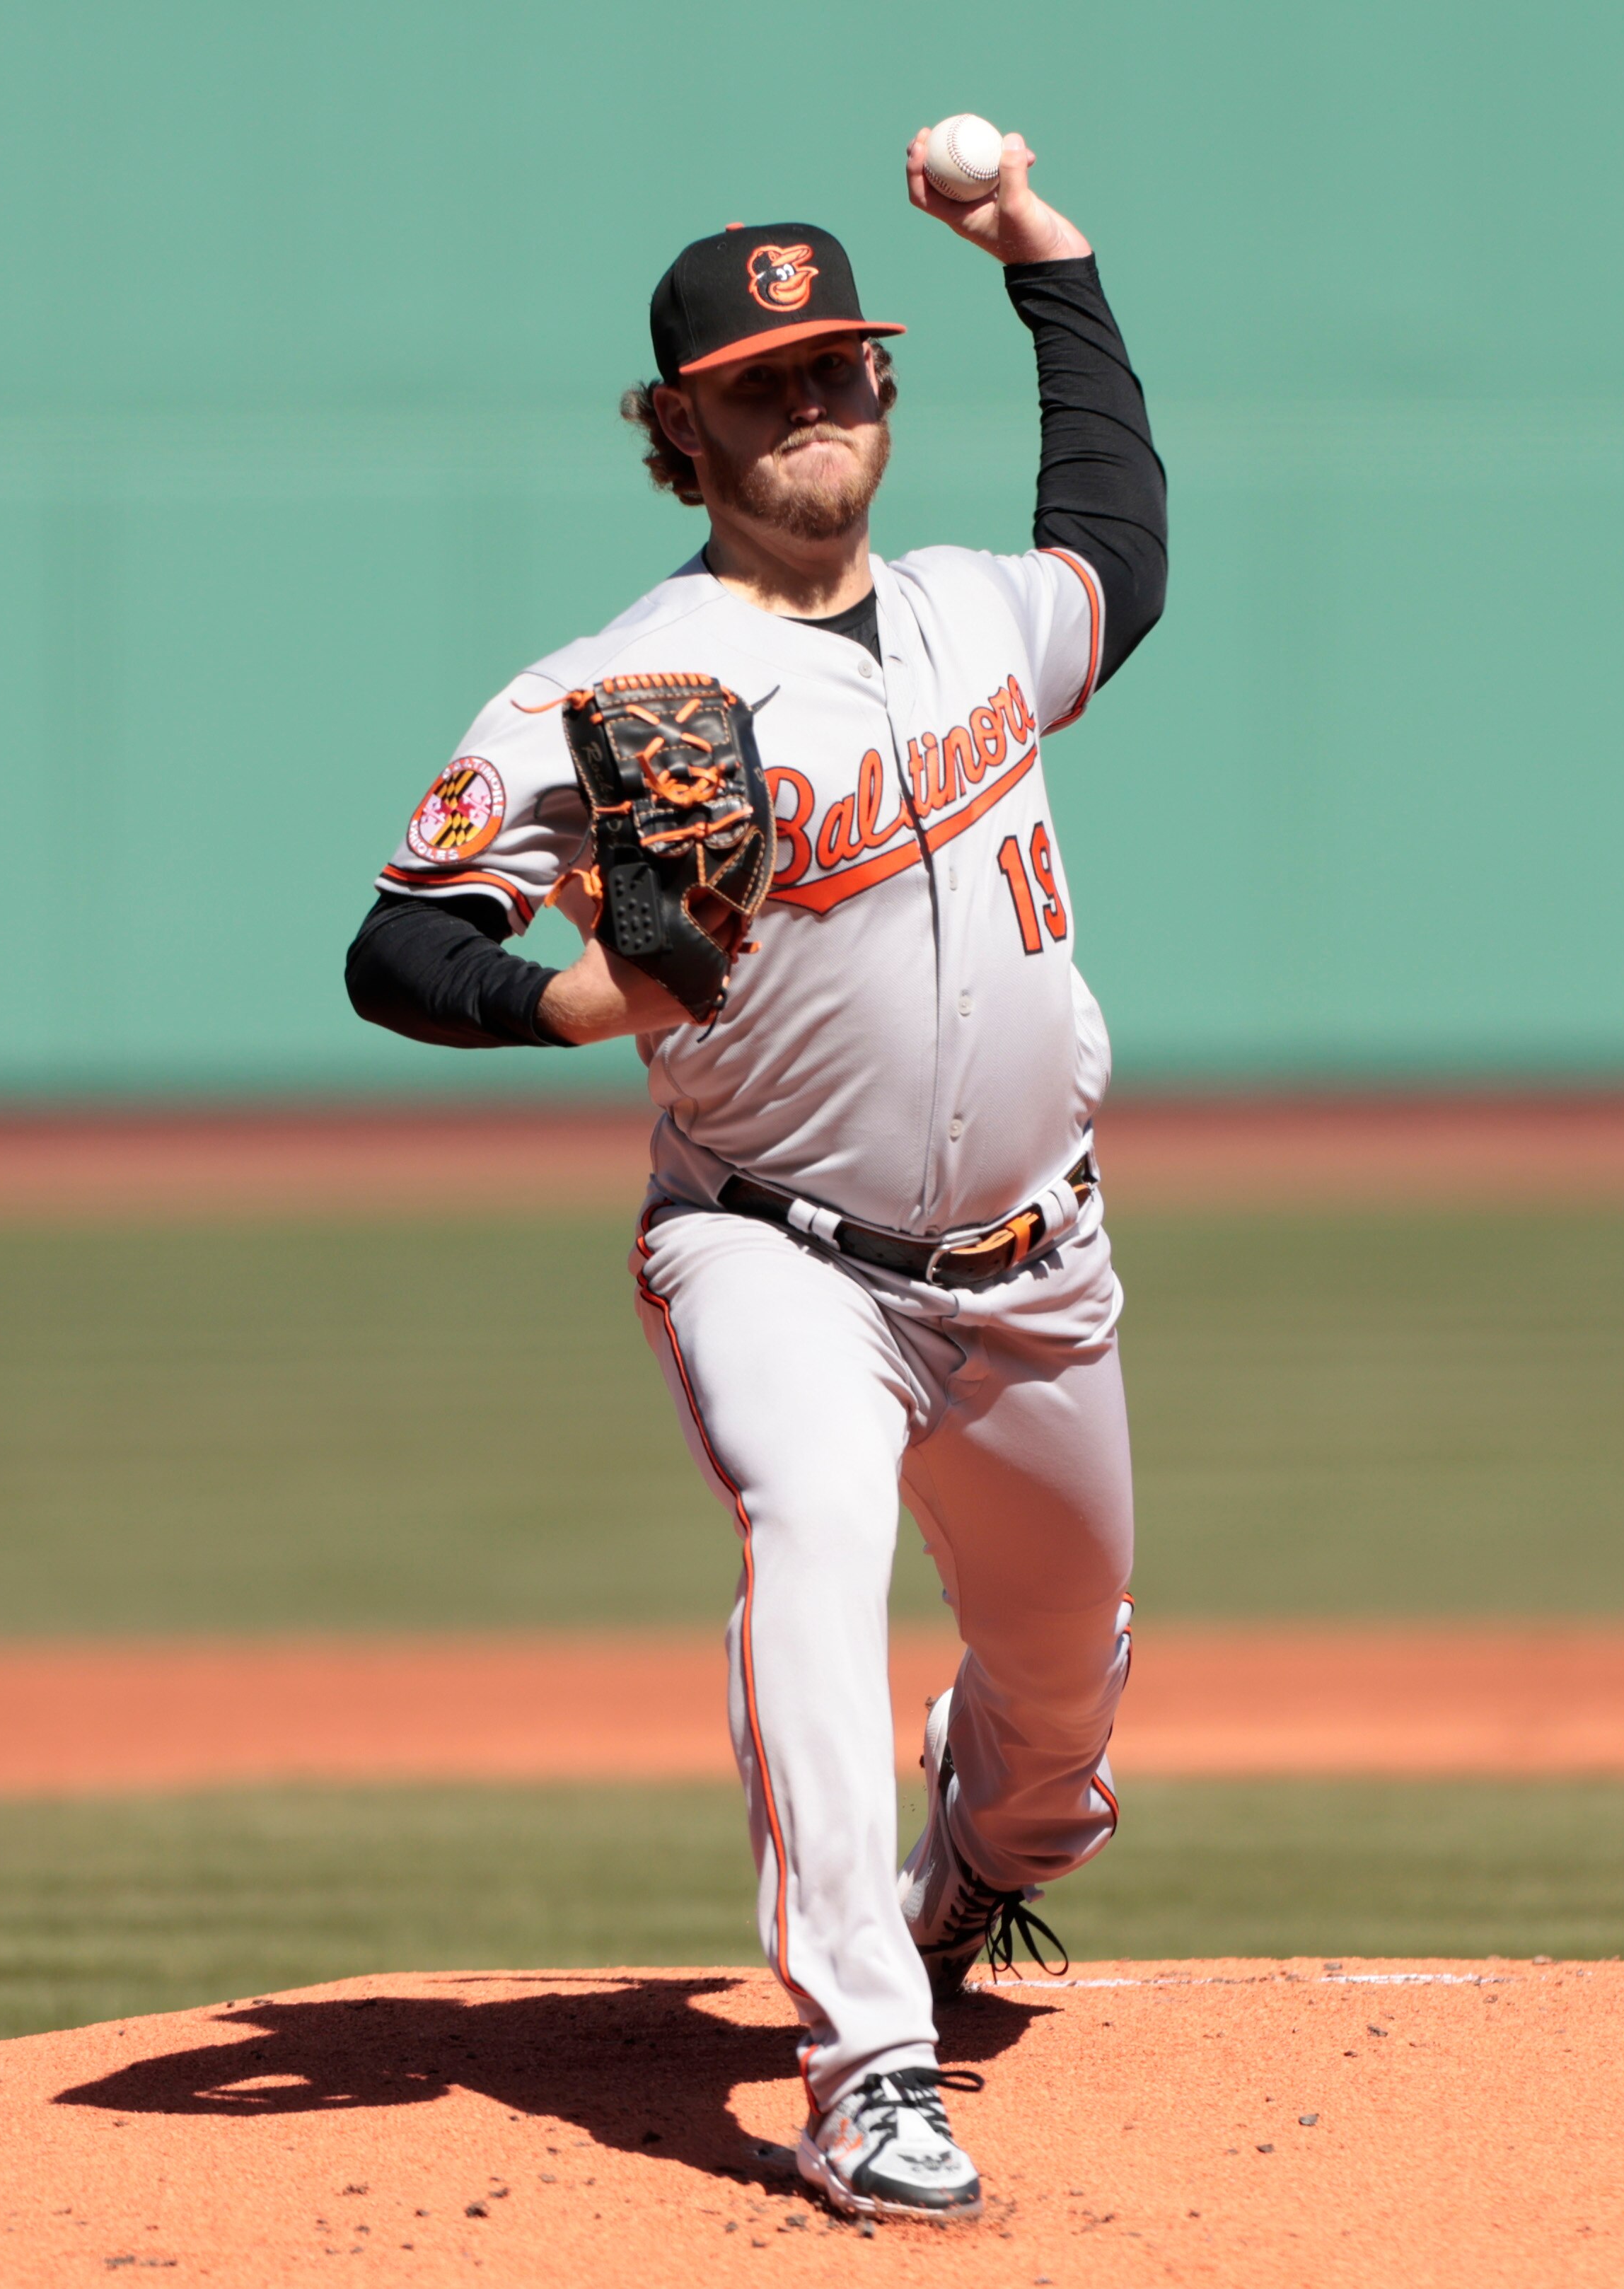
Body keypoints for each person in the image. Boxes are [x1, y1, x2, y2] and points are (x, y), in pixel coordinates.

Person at [341, 127, 1165, 2224]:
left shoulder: (986, 615)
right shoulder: (609, 686)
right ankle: (867, 2057)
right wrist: (572, 1004)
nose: (816, 401)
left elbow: (1122, 544)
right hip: (772, 1245)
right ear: (680, 423)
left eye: (842, 367)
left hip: (1037, 1268)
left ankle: (983, 1854)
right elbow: (398, 936)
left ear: (884, 393)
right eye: (766, 378)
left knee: (1061, 1722)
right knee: (814, 1533)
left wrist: (1043, 253)